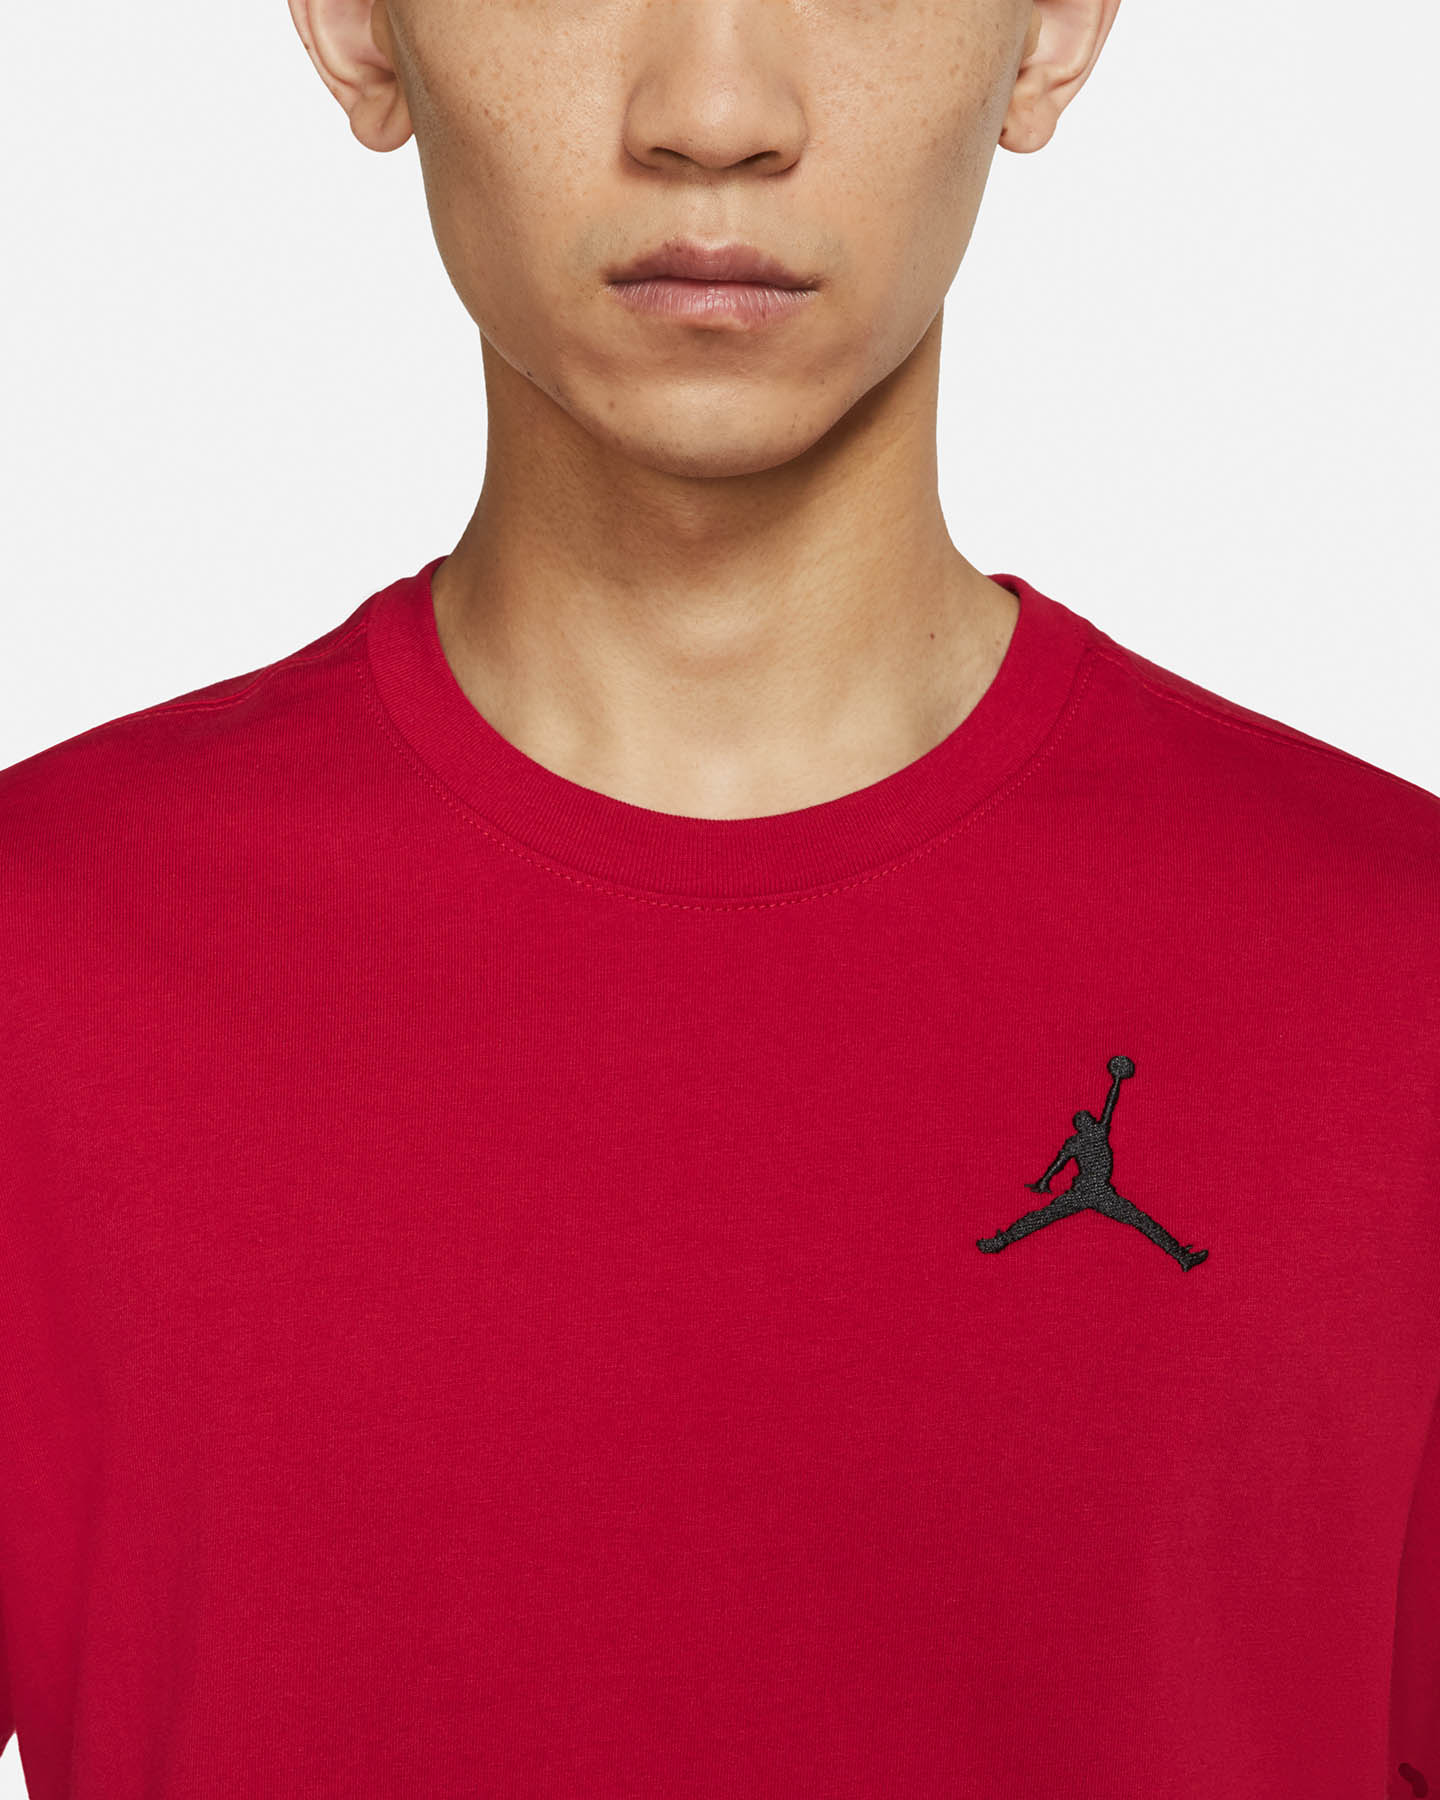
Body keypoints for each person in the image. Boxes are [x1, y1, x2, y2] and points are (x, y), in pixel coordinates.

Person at [1, 0, 1436, 1793]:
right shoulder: (41, 968)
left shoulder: (1400, 992)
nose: (715, 110)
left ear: (1054, 30)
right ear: (360, 29)